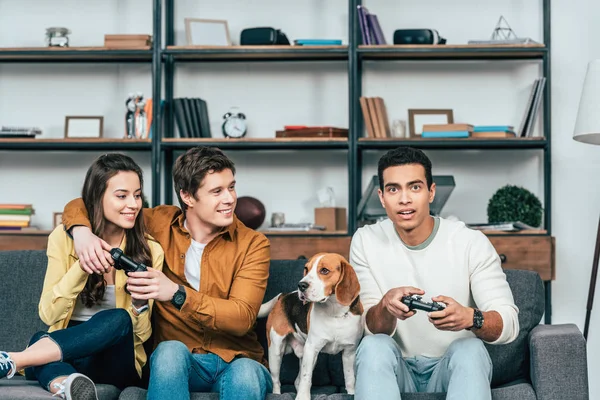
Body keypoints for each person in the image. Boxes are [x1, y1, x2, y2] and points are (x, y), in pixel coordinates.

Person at [60, 146, 272, 400]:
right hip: (179, 360)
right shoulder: (158, 223)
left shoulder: (253, 244)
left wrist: (176, 293)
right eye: (217, 191)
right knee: (169, 351)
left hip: (239, 358)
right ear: (187, 196)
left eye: (231, 187)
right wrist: (81, 233)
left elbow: (242, 318)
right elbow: (84, 203)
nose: (229, 199)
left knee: (246, 373)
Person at [350, 146, 519, 400]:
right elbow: (369, 328)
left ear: (431, 192)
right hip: (396, 369)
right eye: (393, 189)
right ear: (382, 197)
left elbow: (509, 324)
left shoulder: (470, 242)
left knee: (470, 349)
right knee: (373, 346)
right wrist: (385, 306)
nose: (404, 199)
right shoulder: (365, 240)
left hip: (451, 368)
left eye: (415, 187)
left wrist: (470, 318)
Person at [0, 153, 164, 400]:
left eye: (137, 195)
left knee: (119, 319)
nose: (133, 204)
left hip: (116, 361)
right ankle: (66, 386)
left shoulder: (150, 250)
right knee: (40, 338)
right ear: (97, 197)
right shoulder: (63, 239)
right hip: (69, 353)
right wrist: (82, 264)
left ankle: (14, 360)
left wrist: (140, 307)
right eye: (122, 196)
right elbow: (49, 314)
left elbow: (141, 337)